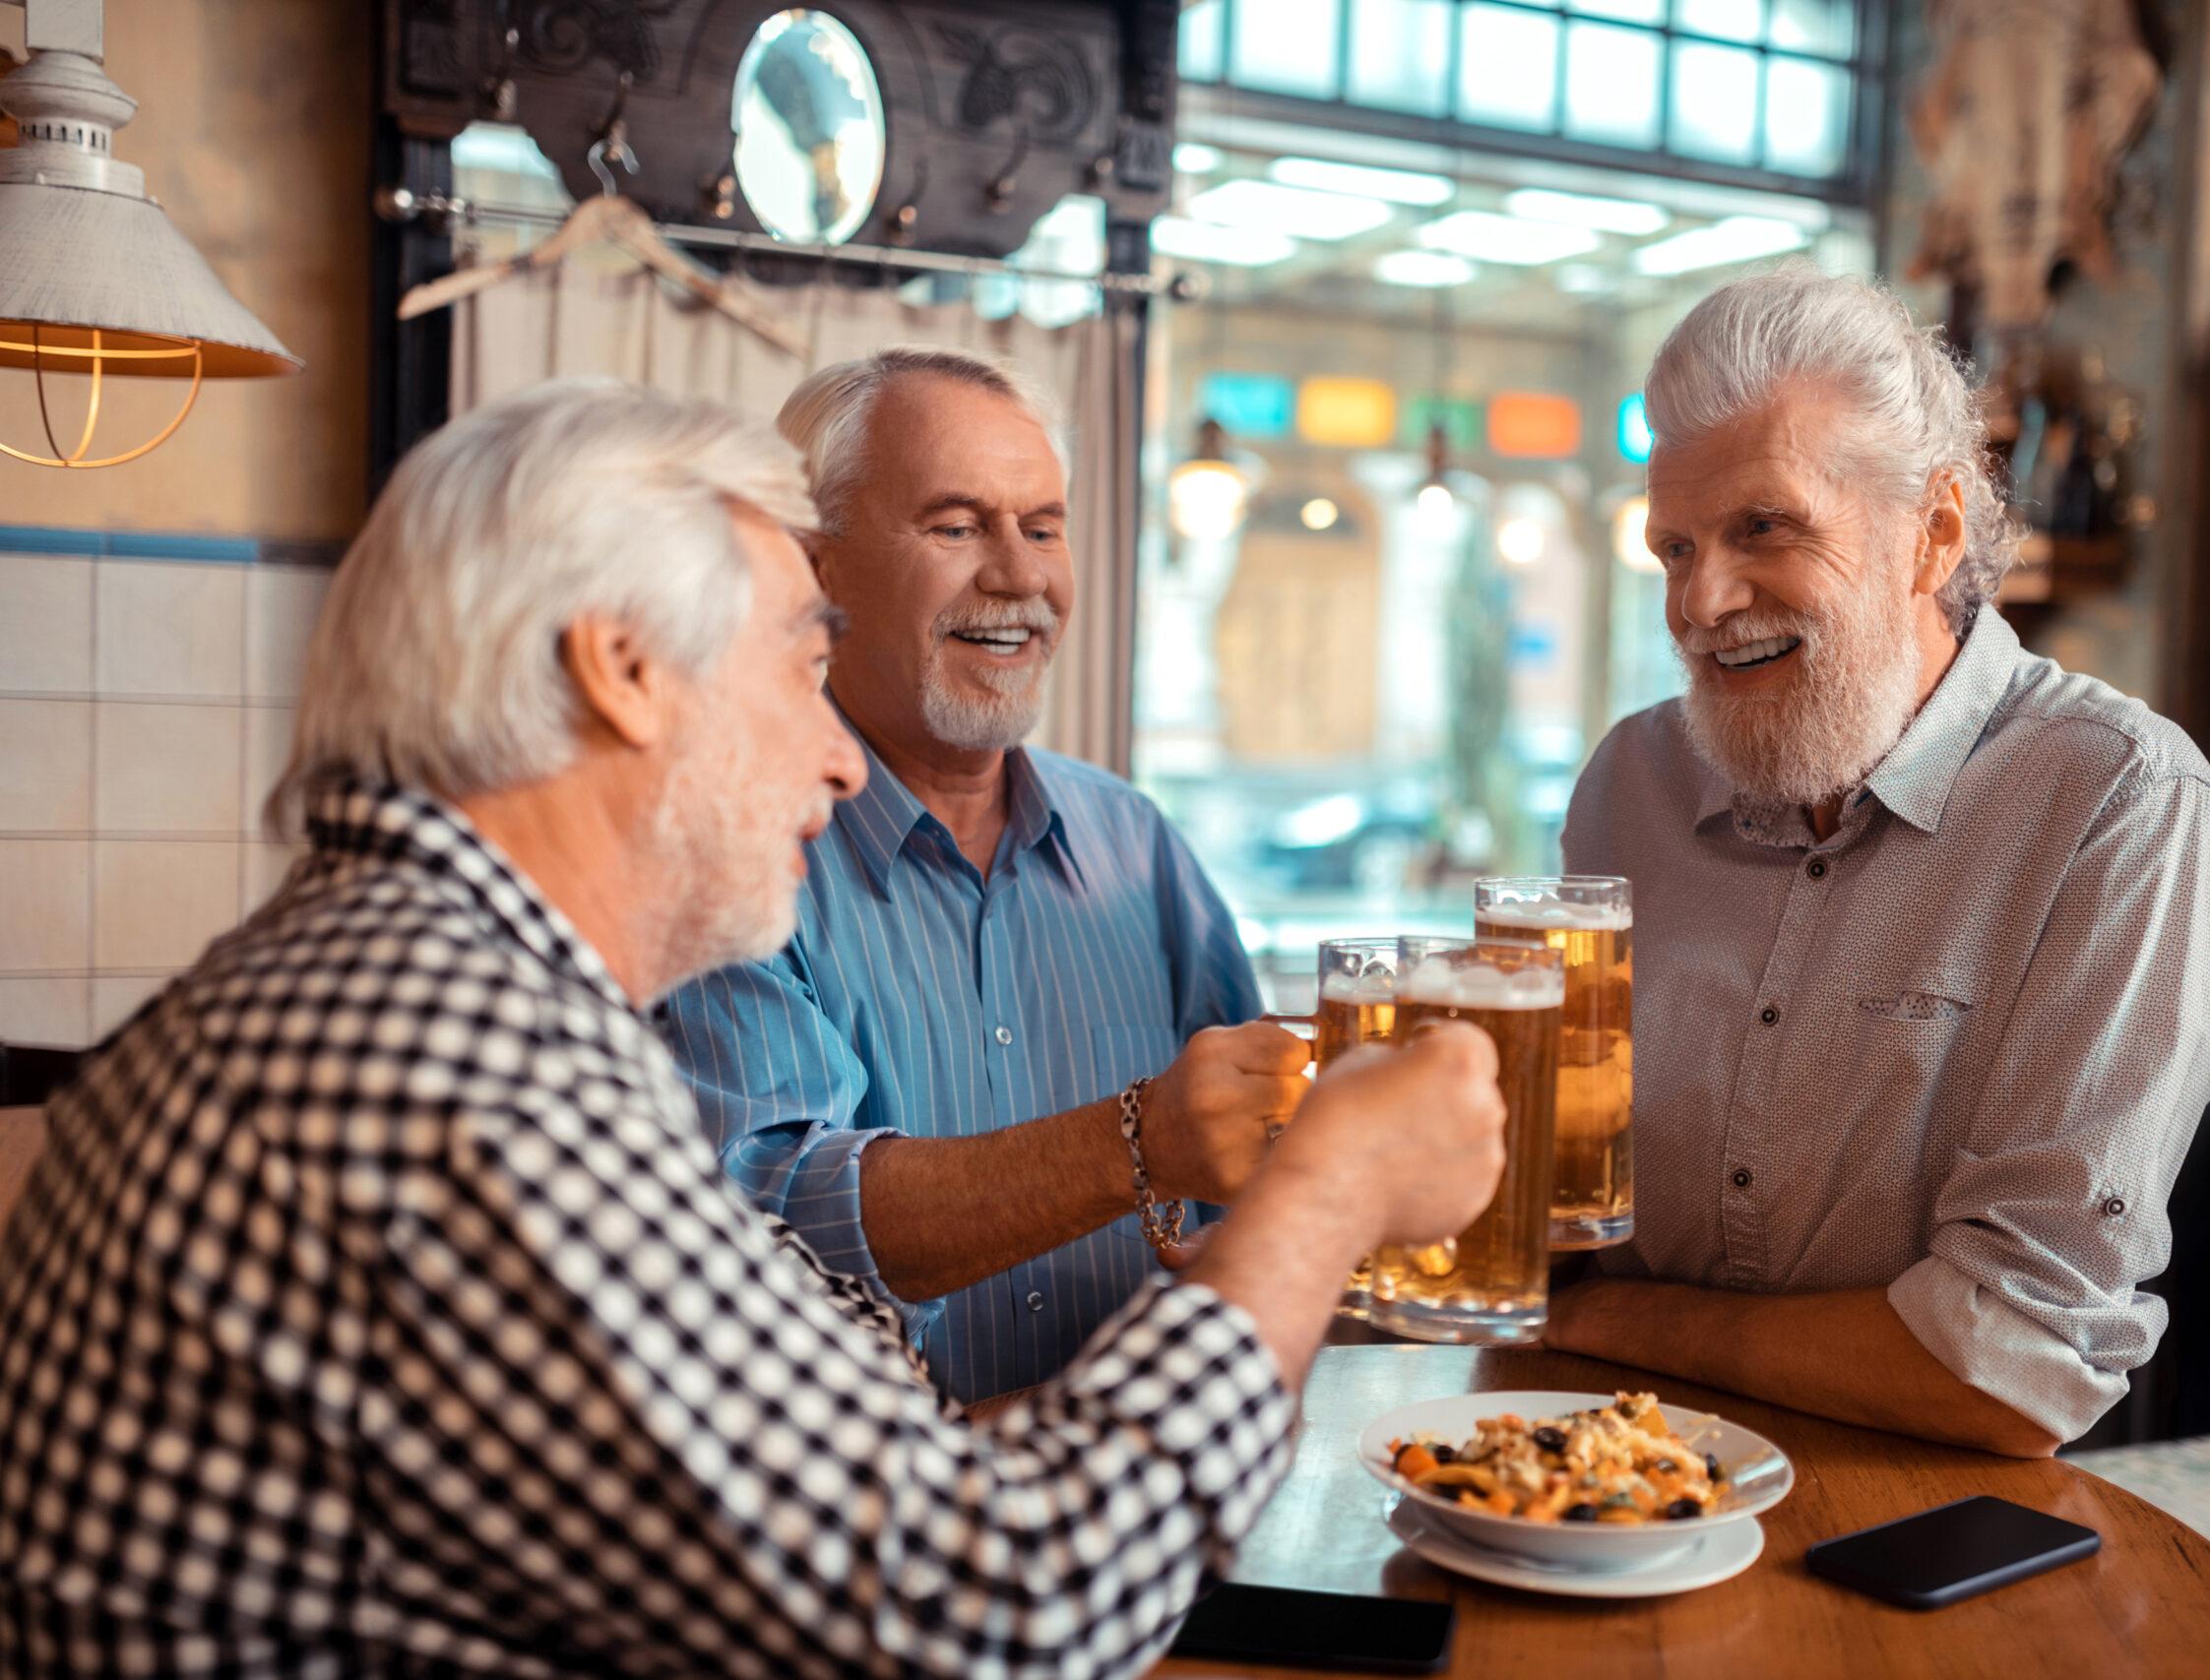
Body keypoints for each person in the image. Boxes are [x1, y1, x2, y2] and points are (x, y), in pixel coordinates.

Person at [0, 381, 1507, 1675]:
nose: (838, 760)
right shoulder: (436, 1062)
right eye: (801, 659)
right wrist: (1329, 1193)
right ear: (625, 668)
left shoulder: (417, 988)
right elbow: (1003, 1615)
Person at [1553, 269, 2210, 1456]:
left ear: (1931, 535)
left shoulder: (2116, 797)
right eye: (1673, 546)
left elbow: (2009, 1365)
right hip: (1603, 1495)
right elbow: (1564, 1213)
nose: (1700, 601)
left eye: (1763, 527)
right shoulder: (1630, 784)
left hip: (1921, 1536)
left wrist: (1616, 1323)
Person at [660, 348, 1307, 1404]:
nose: (1019, 577)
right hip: (884, 1537)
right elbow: (768, 1211)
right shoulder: (733, 850)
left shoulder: (1133, 844)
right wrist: (1139, 1142)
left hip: (1168, 1518)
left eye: (1042, 527)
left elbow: (1258, 1171)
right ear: (813, 568)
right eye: (956, 527)